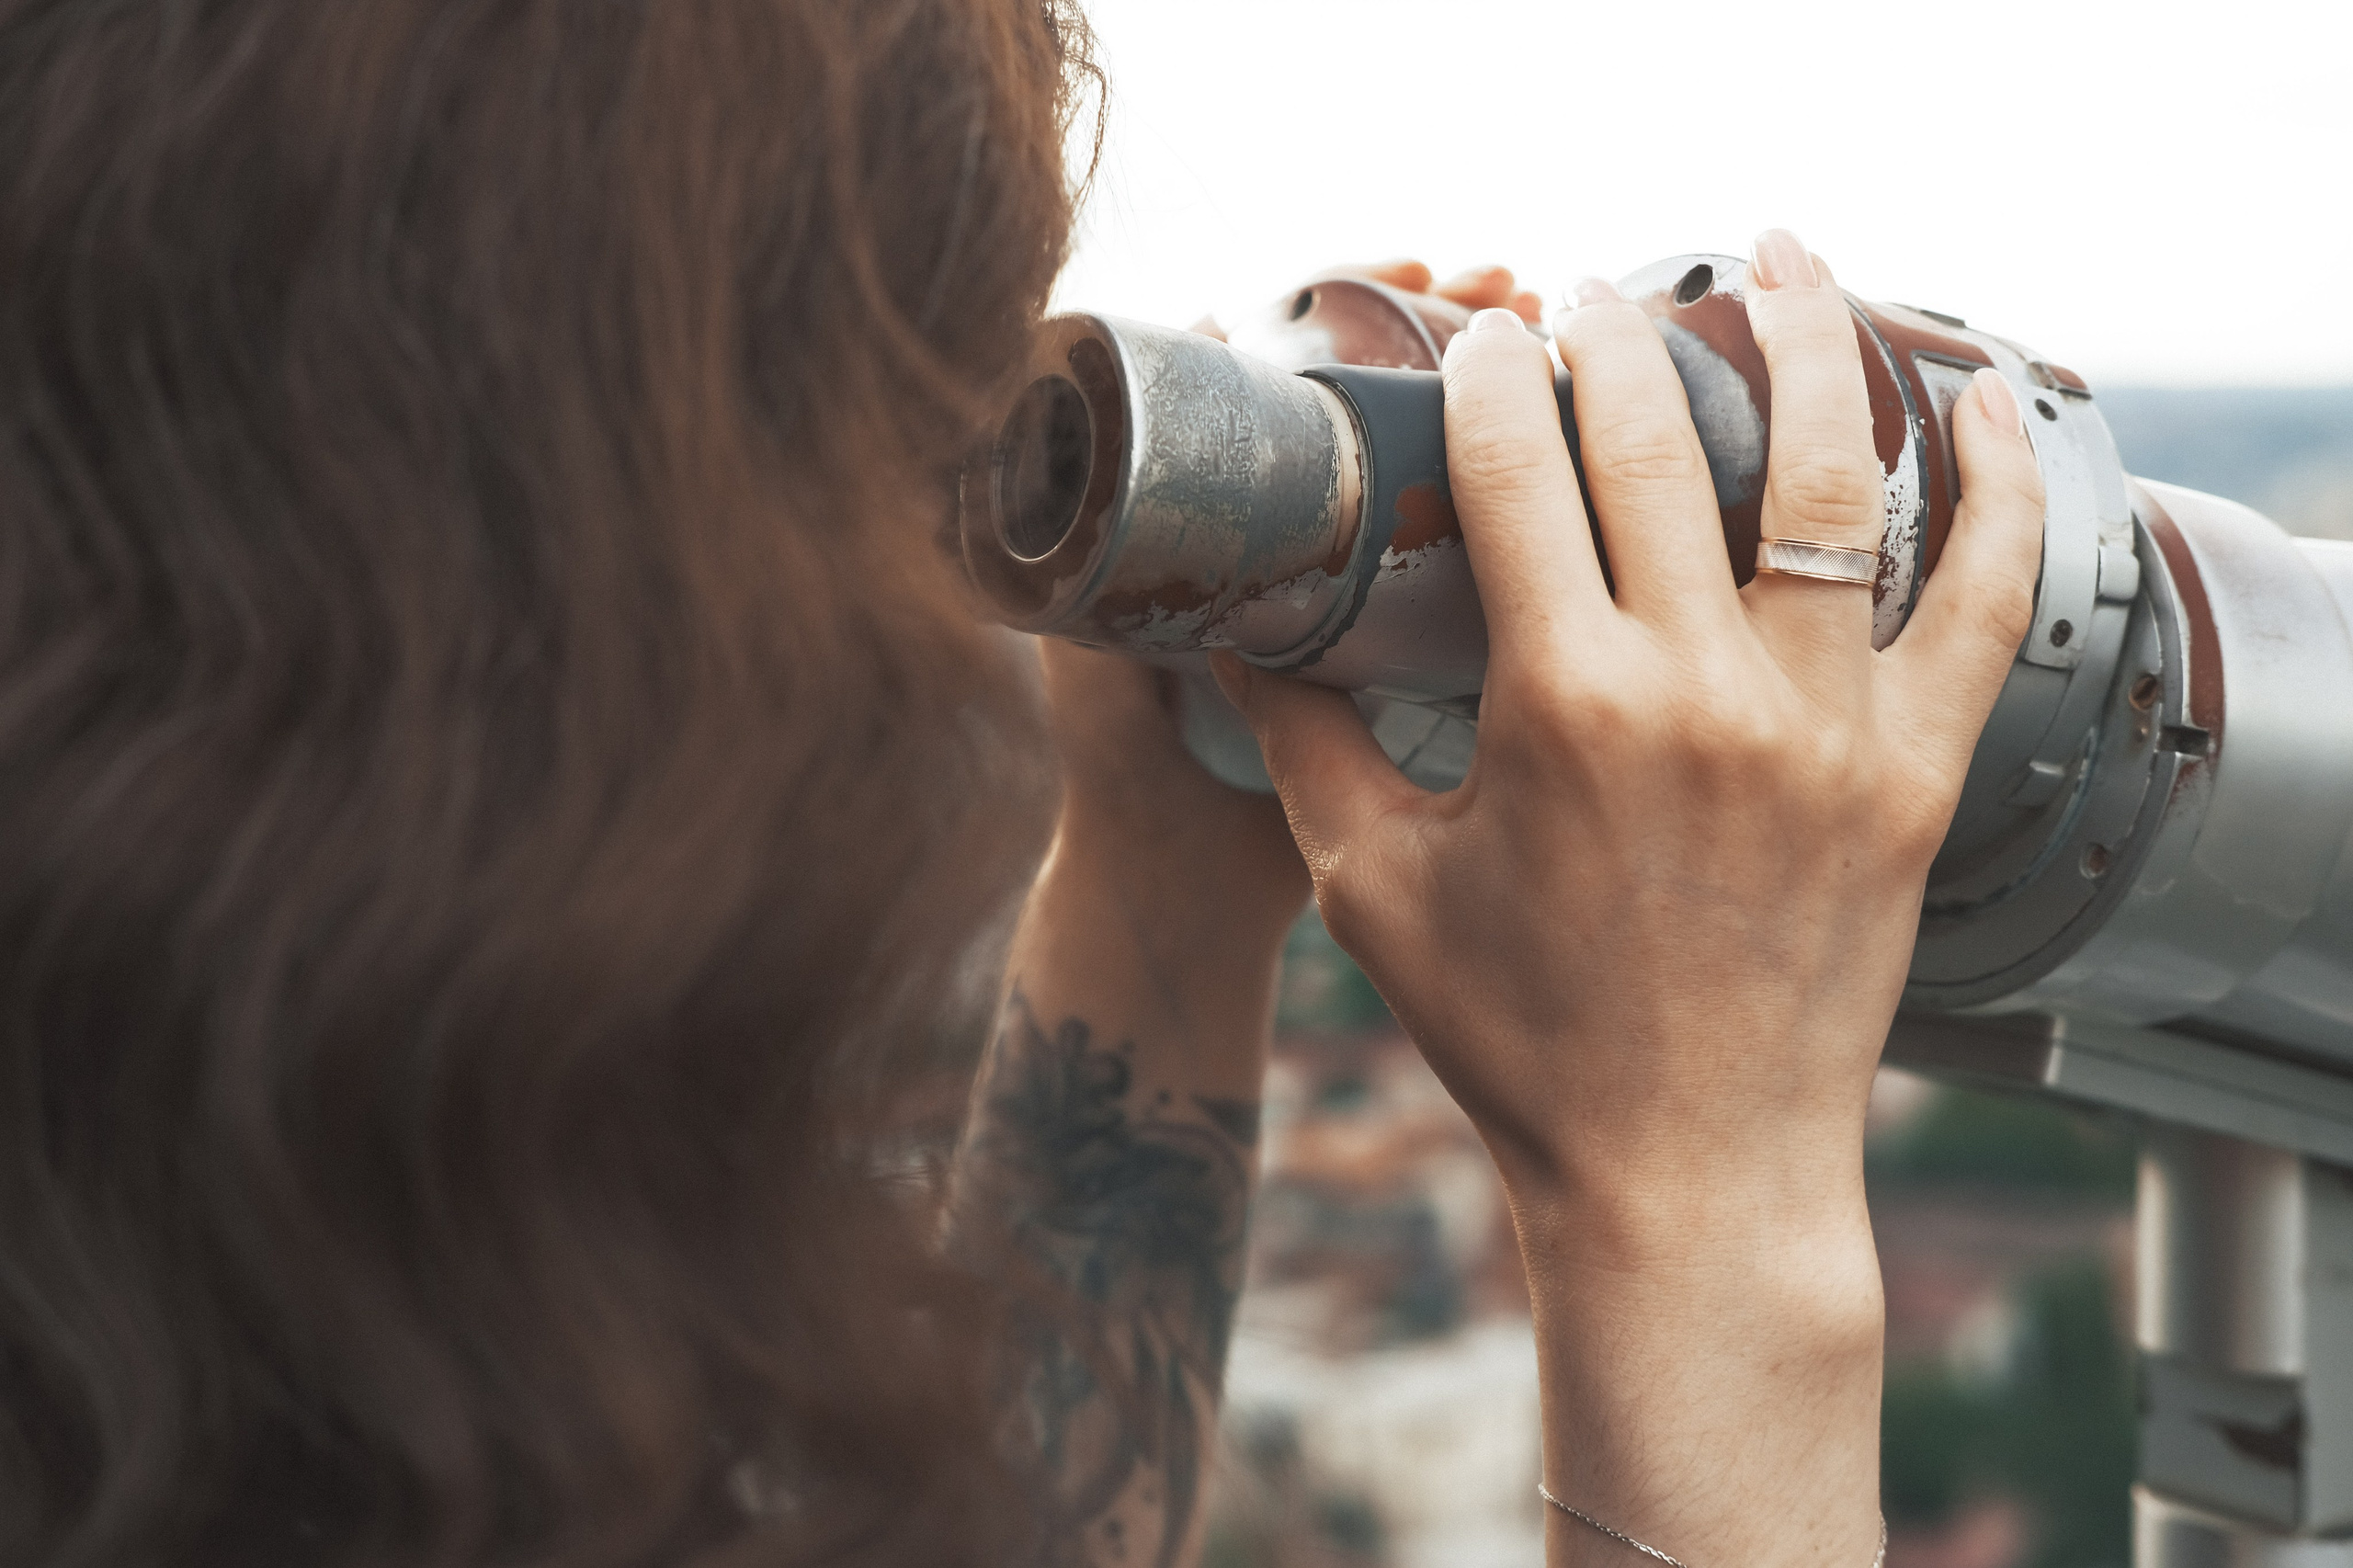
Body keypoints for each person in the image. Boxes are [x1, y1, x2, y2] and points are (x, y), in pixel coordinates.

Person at [0, 3, 2046, 1566]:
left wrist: (1163, 873)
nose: (926, 585)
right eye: (879, 440)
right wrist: (1702, 1208)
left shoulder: (179, 1294)